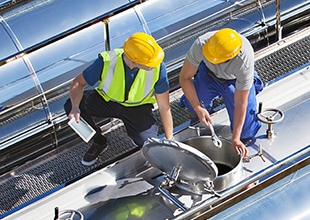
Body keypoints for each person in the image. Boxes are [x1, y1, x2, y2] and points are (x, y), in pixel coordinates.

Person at [66, 32, 174, 166]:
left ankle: (137, 136)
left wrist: (170, 139)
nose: (153, 65)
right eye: (149, 63)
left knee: (148, 144)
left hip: (137, 108)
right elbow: (78, 83)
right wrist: (75, 107)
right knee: (71, 105)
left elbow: (164, 107)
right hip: (107, 102)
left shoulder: (158, 67)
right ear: (134, 60)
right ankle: (99, 141)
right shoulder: (107, 61)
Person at [179, 28, 264, 157]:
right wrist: (198, 107)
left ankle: (251, 84)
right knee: (192, 104)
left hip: (234, 81)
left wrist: (236, 138)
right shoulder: (201, 44)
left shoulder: (244, 60)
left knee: (245, 132)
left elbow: (241, 101)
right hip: (209, 75)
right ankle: (204, 110)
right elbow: (185, 77)